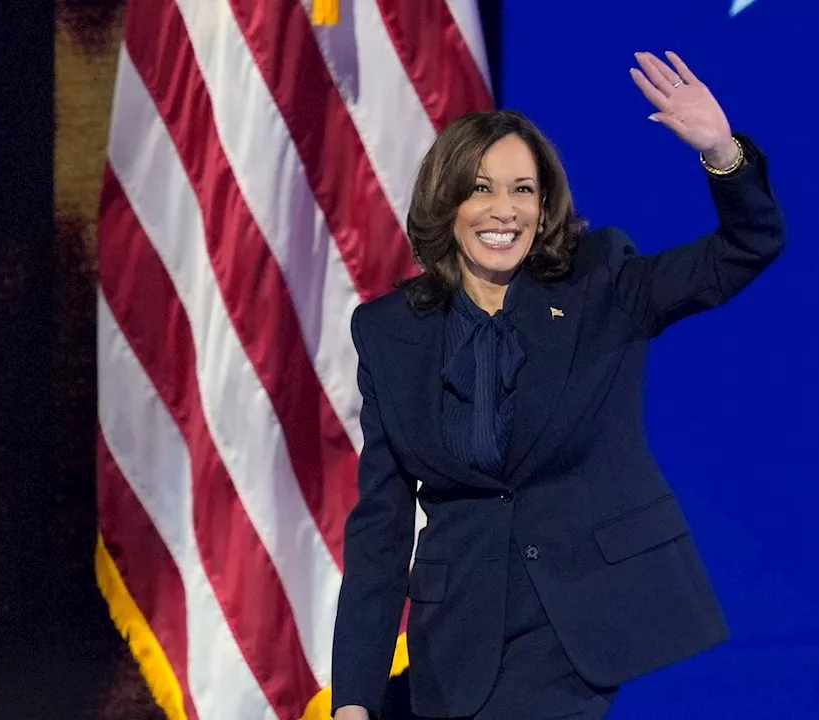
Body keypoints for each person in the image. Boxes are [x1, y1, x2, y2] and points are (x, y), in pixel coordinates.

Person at [331, 50, 786, 720]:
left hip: (577, 618)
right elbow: (380, 527)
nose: (503, 209)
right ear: (445, 204)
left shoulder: (603, 283)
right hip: (456, 639)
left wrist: (722, 152)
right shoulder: (389, 331)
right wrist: (353, 700)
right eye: (480, 188)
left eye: (522, 190)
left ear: (544, 209)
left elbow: (747, 247)